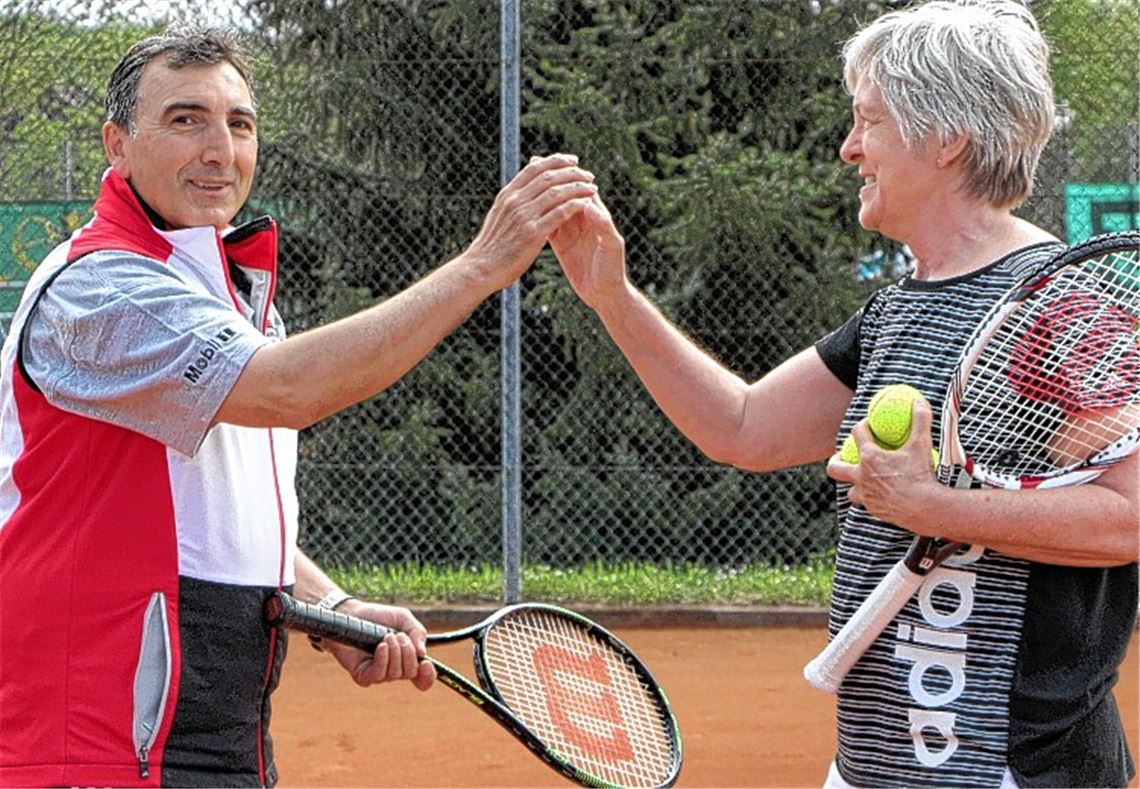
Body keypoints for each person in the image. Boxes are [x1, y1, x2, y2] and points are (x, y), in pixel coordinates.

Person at [550, 1, 1138, 787]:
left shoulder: (1062, 309)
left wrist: (936, 507)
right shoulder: (898, 308)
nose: (847, 147)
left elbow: (1127, 517)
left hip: (1009, 767)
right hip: (877, 764)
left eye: (869, 121)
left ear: (946, 139)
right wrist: (612, 297)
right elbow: (743, 427)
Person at [0, 24, 597, 788]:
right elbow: (290, 387)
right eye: (187, 119)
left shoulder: (230, 293)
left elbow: (218, 512)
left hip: (218, 723)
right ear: (118, 143)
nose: (221, 149)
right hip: (103, 740)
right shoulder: (99, 288)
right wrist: (483, 266)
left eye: (239, 124)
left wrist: (328, 605)